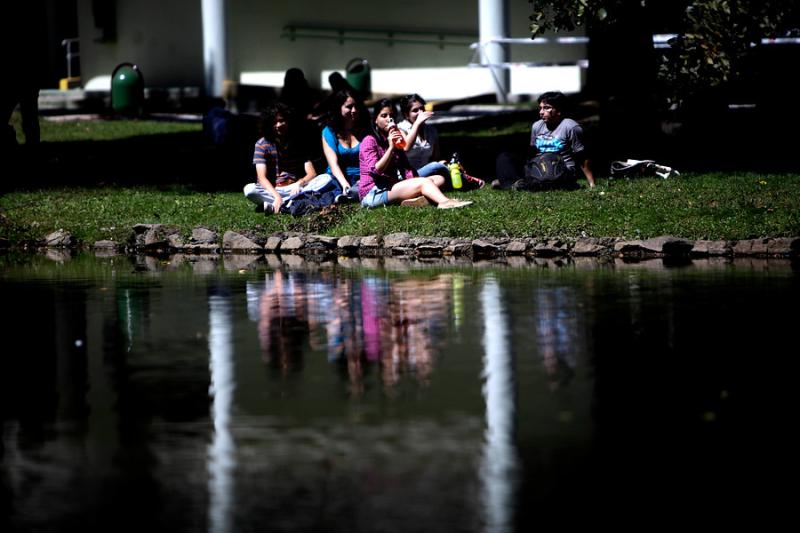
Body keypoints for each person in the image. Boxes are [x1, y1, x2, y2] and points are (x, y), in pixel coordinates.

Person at [358, 99, 472, 210]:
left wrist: (412, 181)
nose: (389, 119)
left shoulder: (394, 137)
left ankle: (412, 198)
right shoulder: (369, 140)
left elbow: (405, 167)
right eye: (384, 116)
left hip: (391, 185)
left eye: (391, 116)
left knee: (439, 179)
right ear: (375, 120)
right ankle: (444, 202)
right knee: (424, 182)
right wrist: (391, 148)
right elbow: (376, 170)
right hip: (373, 192)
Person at [243, 102, 336, 214]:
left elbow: (312, 173)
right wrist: (277, 196)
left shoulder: (298, 142)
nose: (278, 125)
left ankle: (281, 205)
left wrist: (299, 183)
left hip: (295, 189)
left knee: (327, 178)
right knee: (249, 190)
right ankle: (289, 203)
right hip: (273, 190)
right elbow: (262, 178)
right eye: (274, 122)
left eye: (281, 121)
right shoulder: (261, 144)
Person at [493, 91, 596, 190]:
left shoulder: (571, 127)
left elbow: (582, 157)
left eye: (546, 108)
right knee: (505, 157)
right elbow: (533, 153)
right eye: (540, 108)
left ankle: (517, 183)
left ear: (559, 110)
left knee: (549, 158)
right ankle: (511, 183)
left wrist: (591, 182)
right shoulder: (537, 126)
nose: (541, 112)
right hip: (540, 168)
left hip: (561, 170)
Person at [397, 94, 484, 190]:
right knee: (436, 166)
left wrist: (446, 164)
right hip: (407, 175)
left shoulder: (431, 131)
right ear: (406, 114)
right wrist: (417, 123)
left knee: (441, 172)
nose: (420, 113)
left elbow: (436, 158)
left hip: (425, 173)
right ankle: (467, 180)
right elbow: (405, 147)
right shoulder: (400, 129)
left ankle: (458, 176)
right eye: (415, 110)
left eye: (422, 109)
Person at [319, 89, 369, 202]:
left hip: (361, 177)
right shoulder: (329, 132)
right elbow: (334, 165)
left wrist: (365, 178)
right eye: (349, 107)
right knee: (330, 184)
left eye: (356, 106)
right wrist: (345, 185)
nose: (354, 110)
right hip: (338, 178)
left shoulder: (364, 130)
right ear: (339, 107)